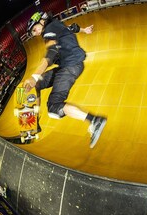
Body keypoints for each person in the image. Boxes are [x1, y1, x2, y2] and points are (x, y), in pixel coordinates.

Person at [25, 12, 106, 148]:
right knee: (37, 84)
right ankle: (35, 122)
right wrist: (84, 30)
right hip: (68, 65)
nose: (35, 33)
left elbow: (50, 55)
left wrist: (34, 76)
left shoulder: (48, 31)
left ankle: (94, 121)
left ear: (41, 22)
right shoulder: (56, 25)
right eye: (33, 33)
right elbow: (73, 27)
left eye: (34, 29)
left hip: (70, 67)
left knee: (53, 107)